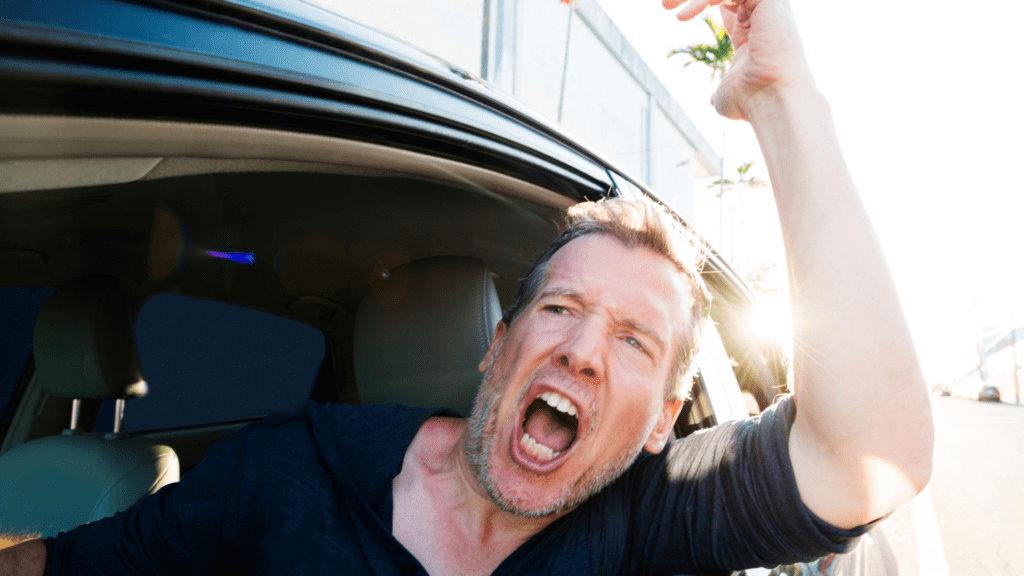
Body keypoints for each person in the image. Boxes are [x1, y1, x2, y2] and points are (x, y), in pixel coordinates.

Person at [1, 0, 934, 574]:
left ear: (663, 422)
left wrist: (780, 95)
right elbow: (70, 565)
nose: (580, 349)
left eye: (635, 340)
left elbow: (875, 451)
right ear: (498, 345)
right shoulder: (293, 469)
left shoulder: (646, 520)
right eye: (561, 308)